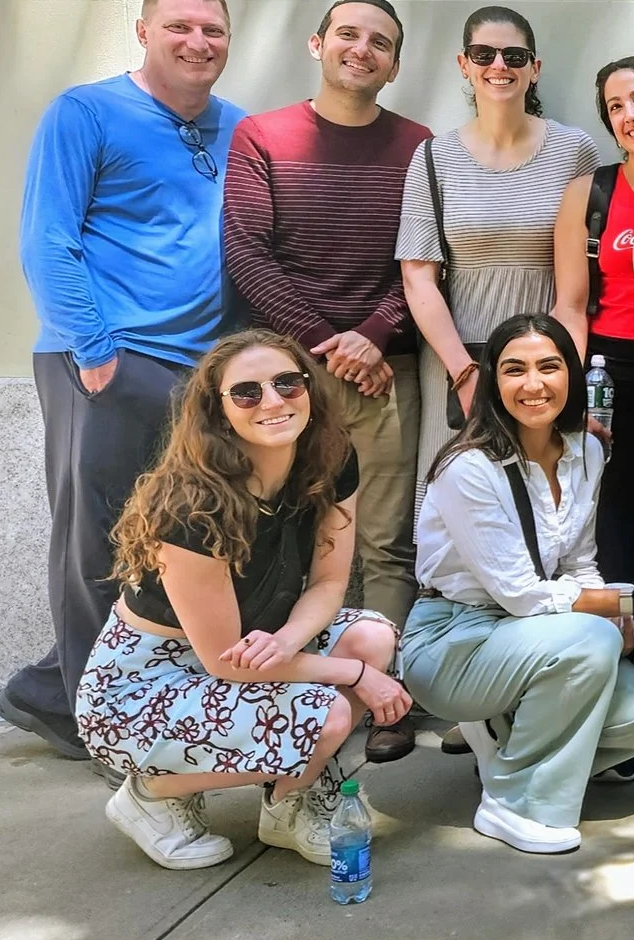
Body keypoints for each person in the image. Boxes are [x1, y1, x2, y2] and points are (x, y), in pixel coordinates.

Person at [2, 0, 243, 763]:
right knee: (97, 542)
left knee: (171, 546)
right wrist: (96, 349)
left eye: (213, 30)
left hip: (202, 372)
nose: (198, 42)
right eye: (180, 26)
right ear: (143, 30)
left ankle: (49, 688)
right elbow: (47, 238)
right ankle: (95, 726)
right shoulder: (88, 112)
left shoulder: (237, 130)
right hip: (110, 362)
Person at [76, 329, 405, 870]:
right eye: (247, 392)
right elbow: (224, 661)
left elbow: (327, 583)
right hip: (146, 683)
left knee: (370, 637)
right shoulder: (191, 506)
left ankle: (287, 803)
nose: (273, 401)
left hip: (250, 648)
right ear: (218, 410)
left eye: (286, 383)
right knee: (326, 715)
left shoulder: (329, 459)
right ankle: (151, 794)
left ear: (308, 388)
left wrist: (286, 640)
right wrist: (352, 676)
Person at [396, 314, 634, 854]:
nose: (533, 384)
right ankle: (516, 803)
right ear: (493, 380)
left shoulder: (586, 451)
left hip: (528, 637)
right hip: (451, 640)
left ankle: (508, 745)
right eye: (514, 370)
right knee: (595, 641)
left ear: (572, 375)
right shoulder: (470, 467)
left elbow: (579, 560)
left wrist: (611, 612)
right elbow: (520, 592)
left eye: (549, 366)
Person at [222, 0, 433, 763]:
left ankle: (386, 698)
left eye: (380, 42)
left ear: (395, 64)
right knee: (292, 543)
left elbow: (418, 260)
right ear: (317, 44)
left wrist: (373, 336)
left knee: (383, 543)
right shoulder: (263, 135)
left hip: (385, 372)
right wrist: (323, 344)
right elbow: (247, 253)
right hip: (283, 382)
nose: (362, 49)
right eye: (348, 34)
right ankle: (303, 689)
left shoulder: (418, 145)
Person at [398, 6, 601, 513]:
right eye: (484, 54)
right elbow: (419, 278)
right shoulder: (432, 157)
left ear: (535, 67)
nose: (499, 65)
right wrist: (467, 374)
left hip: (545, 361)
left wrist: (561, 375)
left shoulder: (574, 150)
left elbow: (579, 285)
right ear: (464, 64)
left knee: (545, 498)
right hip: (456, 358)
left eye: (514, 55)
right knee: (459, 500)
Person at [552, 56, 634, 731]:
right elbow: (572, 306)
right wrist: (571, 400)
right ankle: (615, 697)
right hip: (606, 377)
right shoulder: (589, 194)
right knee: (609, 537)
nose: (631, 115)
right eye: (615, 107)